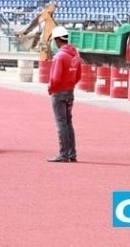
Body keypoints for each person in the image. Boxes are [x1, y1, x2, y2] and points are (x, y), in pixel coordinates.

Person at [46, 26, 82, 163]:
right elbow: (78, 76)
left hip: (59, 92)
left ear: (57, 39)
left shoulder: (59, 56)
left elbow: (55, 78)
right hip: (70, 92)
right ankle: (71, 153)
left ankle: (63, 154)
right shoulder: (76, 55)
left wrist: (51, 88)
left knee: (61, 123)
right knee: (68, 122)